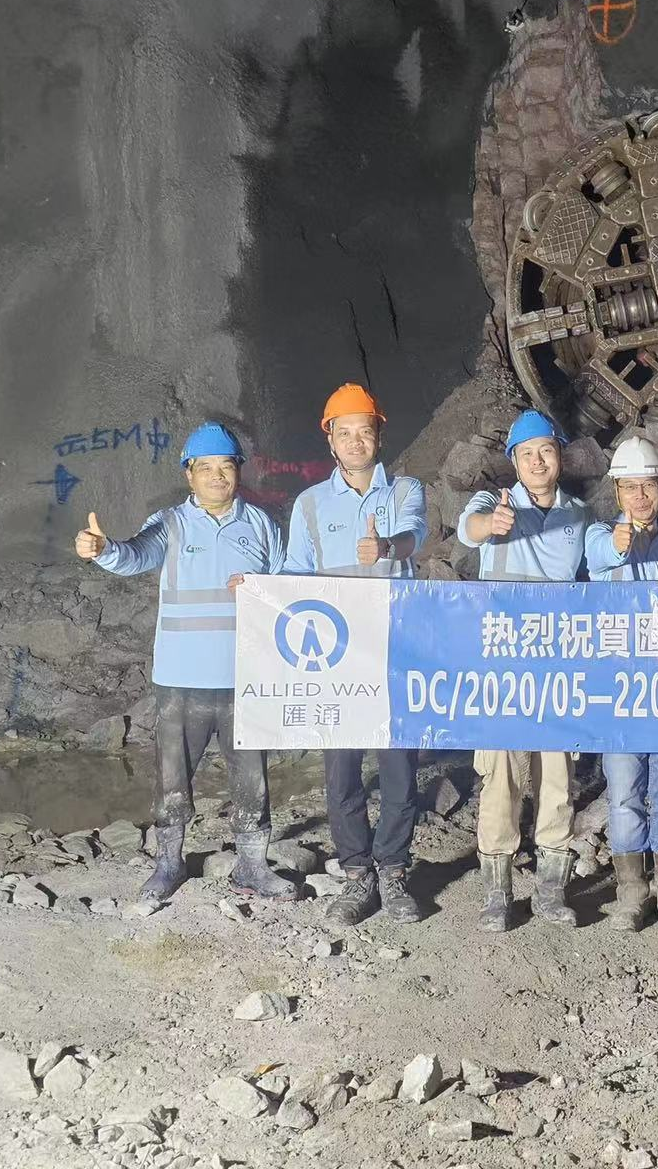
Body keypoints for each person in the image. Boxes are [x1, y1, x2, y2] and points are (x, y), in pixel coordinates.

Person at [75, 421, 294, 905]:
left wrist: (266, 591)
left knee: (252, 777)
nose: (217, 475)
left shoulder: (261, 525)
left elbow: (289, 584)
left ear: (239, 471)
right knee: (173, 777)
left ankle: (253, 866)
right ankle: (169, 863)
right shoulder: (170, 523)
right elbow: (136, 554)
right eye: (205, 467)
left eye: (226, 466)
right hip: (180, 680)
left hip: (244, 678)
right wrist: (104, 550)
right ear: (188, 474)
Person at [285, 383, 429, 926]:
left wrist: (388, 547)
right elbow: (294, 576)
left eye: (363, 431)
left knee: (399, 769)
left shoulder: (405, 489)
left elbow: (414, 534)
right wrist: (253, 590)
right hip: (336, 658)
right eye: (343, 433)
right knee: (342, 771)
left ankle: (392, 869)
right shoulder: (309, 504)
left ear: (378, 435)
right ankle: (356, 873)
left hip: (395, 649)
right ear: (330, 440)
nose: (354, 442)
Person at [457, 410, 591, 931]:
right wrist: (489, 525)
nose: (537, 461)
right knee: (501, 779)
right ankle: (498, 891)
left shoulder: (579, 514)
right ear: (514, 462)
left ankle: (552, 890)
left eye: (546, 451)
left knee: (557, 777)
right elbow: (469, 531)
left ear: (559, 457)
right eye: (527, 454)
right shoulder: (492, 502)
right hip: (502, 668)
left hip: (557, 667)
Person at [584, 435, 658, 935]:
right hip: (620, 691)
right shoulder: (599, 537)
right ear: (616, 492)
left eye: (648, 486)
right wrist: (621, 543)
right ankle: (631, 890)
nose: (639, 496)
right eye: (629, 487)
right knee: (624, 794)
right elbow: (604, 554)